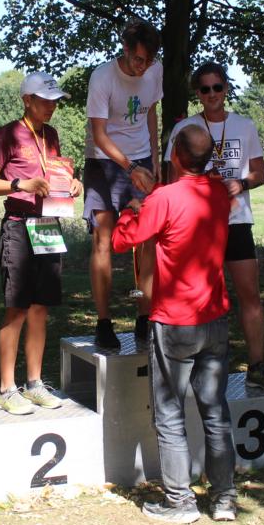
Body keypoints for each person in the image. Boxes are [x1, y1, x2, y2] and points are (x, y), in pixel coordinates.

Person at [113, 125, 239, 523]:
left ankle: (180, 502)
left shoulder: (164, 198)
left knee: (169, 414)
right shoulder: (218, 192)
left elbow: (122, 241)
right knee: (215, 411)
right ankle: (224, 499)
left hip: (174, 322)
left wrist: (132, 208)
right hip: (215, 317)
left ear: (176, 158)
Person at [165, 63, 264, 393]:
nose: (212, 94)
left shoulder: (245, 125)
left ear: (226, 88)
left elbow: (260, 173)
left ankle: (256, 367)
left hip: (236, 222)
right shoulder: (185, 128)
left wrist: (240, 184)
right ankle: (193, 370)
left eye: (217, 87)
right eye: (205, 89)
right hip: (198, 225)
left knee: (250, 295)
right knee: (196, 297)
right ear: (197, 93)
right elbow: (173, 178)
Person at [0, 72, 83, 415]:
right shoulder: (8, 134)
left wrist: (73, 183)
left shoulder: (51, 135)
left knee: (41, 308)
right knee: (17, 308)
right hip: (19, 226)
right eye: (45, 100)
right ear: (27, 100)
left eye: (55, 101)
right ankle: (6, 389)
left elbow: (55, 175)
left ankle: (34, 384)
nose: (52, 107)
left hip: (48, 225)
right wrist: (19, 184)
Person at [84, 18, 163, 348]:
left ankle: (144, 318)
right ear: (125, 49)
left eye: (149, 60)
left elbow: (151, 112)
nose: (143, 67)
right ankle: (104, 322)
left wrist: (154, 158)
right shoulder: (103, 77)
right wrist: (130, 167)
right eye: (138, 59)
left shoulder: (155, 71)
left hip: (141, 159)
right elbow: (99, 134)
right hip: (104, 163)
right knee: (103, 240)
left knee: (147, 239)